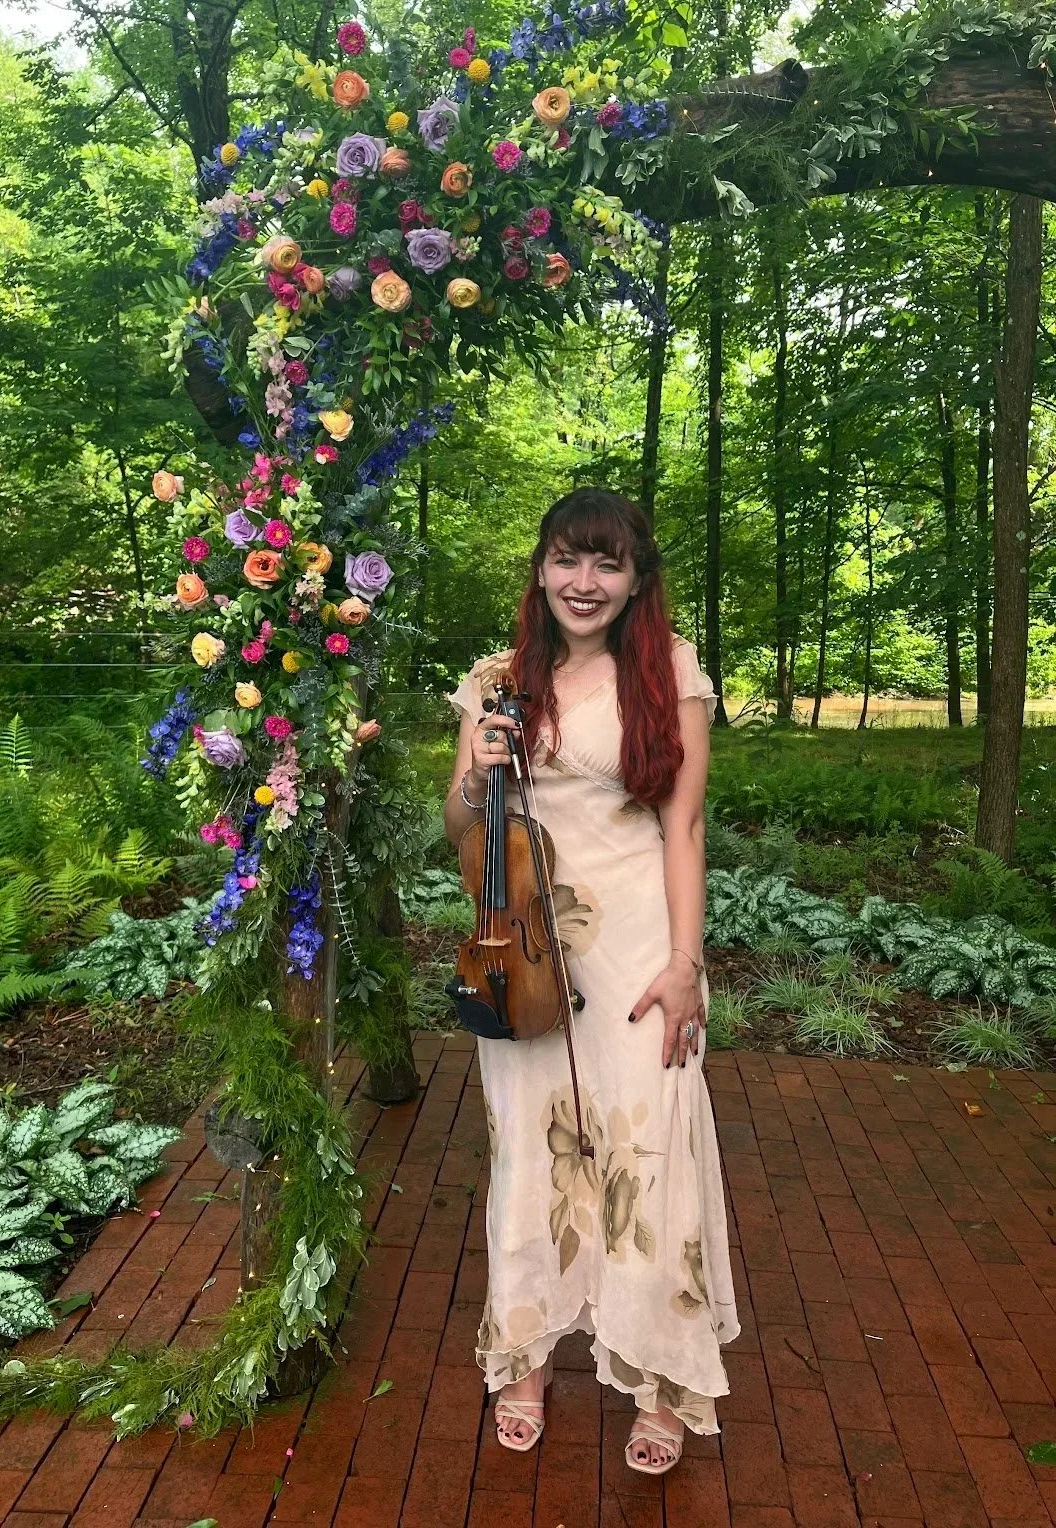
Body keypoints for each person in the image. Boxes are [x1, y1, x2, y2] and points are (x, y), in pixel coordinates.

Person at [443, 487, 739, 1475]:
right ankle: (525, 1360)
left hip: (641, 950)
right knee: (530, 1159)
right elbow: (460, 828)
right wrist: (475, 772)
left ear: (637, 579)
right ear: (539, 570)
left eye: (607, 563)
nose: (585, 581)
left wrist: (686, 965)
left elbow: (683, 827)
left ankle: (661, 1379)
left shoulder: (672, 674)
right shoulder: (496, 682)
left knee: (646, 1157)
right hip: (524, 950)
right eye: (568, 559)